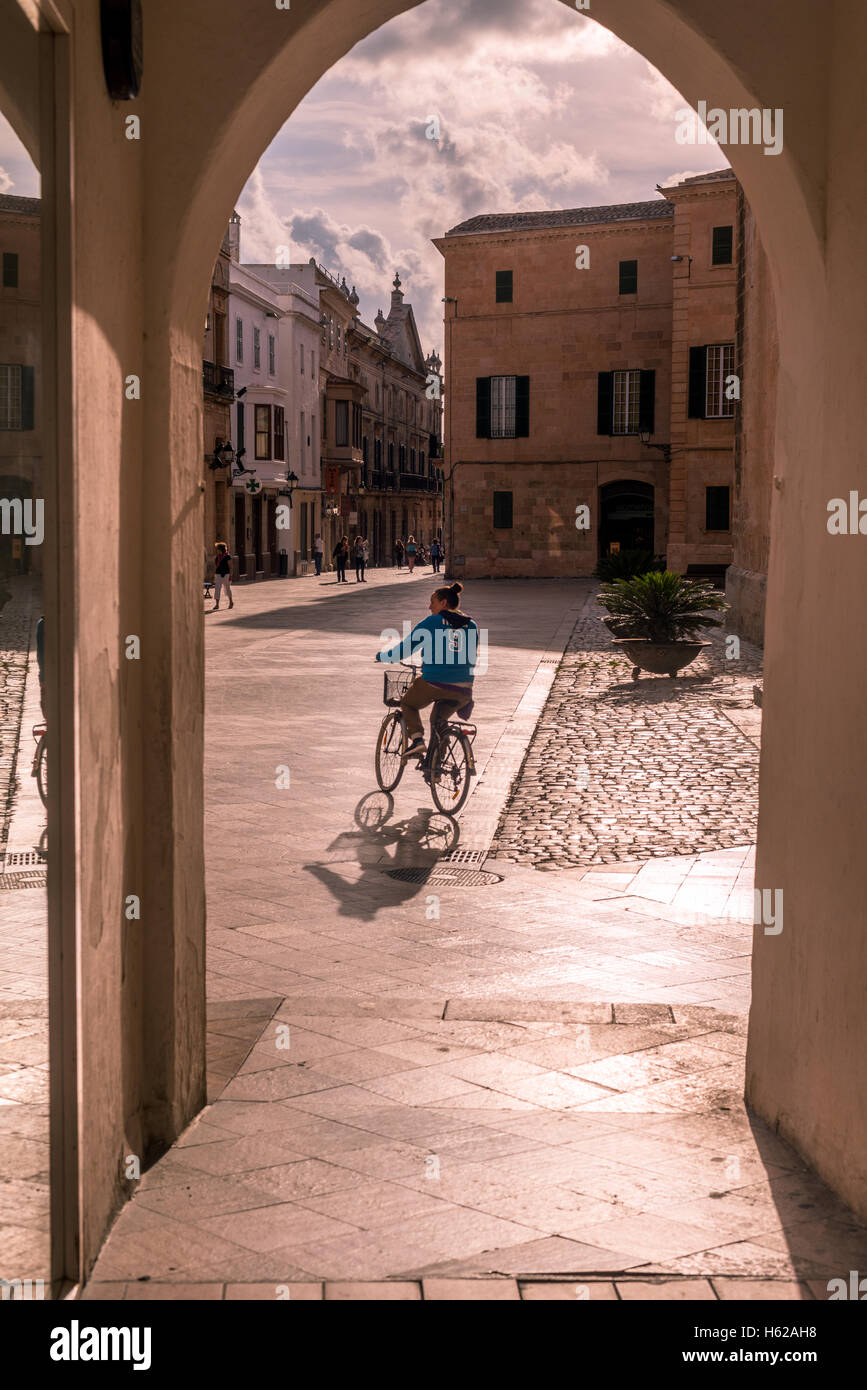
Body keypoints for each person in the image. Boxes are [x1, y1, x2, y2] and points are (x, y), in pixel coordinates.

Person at [375, 581, 478, 759]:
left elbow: (406, 648)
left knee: (408, 703)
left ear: (443, 603)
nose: (429, 606)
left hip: (435, 681)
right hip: (464, 688)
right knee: (439, 721)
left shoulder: (433, 622)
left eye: (433, 602)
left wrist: (383, 656)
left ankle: (417, 741)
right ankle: (437, 765)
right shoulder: (472, 625)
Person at [212, 542, 233, 610]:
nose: (217, 550)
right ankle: (217, 604)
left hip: (226, 574)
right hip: (218, 574)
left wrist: (230, 575)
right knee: (217, 589)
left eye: (218, 549)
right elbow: (216, 567)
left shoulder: (227, 556)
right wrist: (214, 575)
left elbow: (230, 567)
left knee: (227, 588)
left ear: (221, 549)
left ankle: (231, 602)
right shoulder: (217, 557)